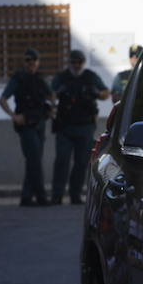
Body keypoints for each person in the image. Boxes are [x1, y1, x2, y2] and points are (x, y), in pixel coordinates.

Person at [49, 49, 109, 205]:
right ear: (69, 62)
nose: (76, 65)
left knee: (81, 162)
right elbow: (50, 93)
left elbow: (105, 93)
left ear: (83, 62)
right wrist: (55, 96)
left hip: (85, 126)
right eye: (73, 62)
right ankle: (57, 195)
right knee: (62, 161)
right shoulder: (62, 77)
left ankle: (75, 195)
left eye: (79, 62)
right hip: (65, 126)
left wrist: (95, 92)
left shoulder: (90, 76)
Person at [0, 48, 54, 206]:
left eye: (34, 60)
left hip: (40, 124)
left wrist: (51, 108)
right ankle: (41, 197)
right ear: (24, 62)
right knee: (34, 160)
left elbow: (51, 96)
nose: (31, 63)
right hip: (26, 125)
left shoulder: (40, 78)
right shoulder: (18, 78)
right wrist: (14, 116)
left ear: (38, 61)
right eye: (28, 60)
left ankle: (26, 197)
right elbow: (2, 100)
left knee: (33, 161)